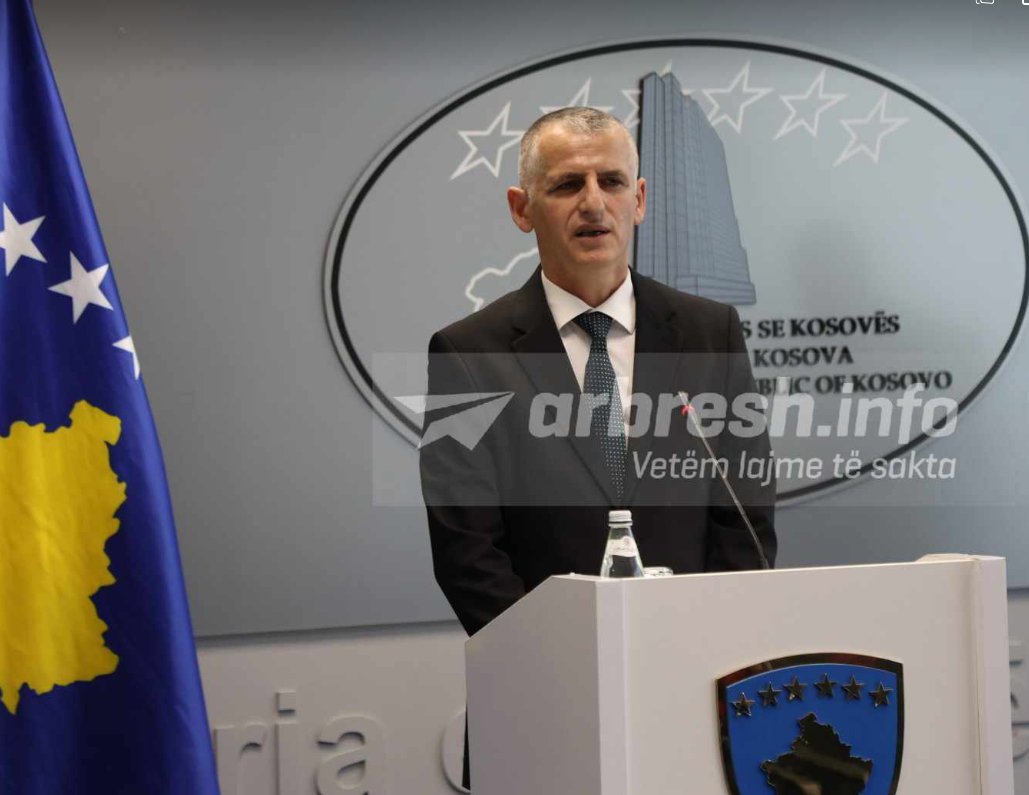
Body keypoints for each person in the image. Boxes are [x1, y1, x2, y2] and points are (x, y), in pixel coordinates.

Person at [420, 105, 776, 788]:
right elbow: (465, 547)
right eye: (566, 185)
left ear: (638, 200)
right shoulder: (467, 353)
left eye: (611, 181)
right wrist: (563, 665)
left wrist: (709, 648)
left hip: (698, 692)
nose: (593, 203)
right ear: (521, 209)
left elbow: (745, 517)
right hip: (540, 701)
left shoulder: (710, 332)